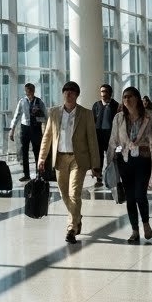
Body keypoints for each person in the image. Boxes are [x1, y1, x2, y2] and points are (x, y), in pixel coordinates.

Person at [39, 81, 101, 244]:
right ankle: (77, 216)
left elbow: (92, 140)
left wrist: (95, 164)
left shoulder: (86, 114)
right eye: (66, 91)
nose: (68, 94)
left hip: (78, 159)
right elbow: (47, 137)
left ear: (77, 95)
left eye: (72, 92)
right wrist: (41, 157)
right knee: (63, 193)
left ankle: (71, 228)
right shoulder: (53, 112)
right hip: (59, 158)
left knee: (74, 193)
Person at [106, 87, 152, 243]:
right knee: (130, 197)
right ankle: (134, 230)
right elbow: (112, 141)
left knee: (140, 195)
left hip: (143, 160)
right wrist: (107, 164)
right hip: (125, 161)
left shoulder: (148, 116)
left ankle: (145, 223)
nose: (127, 100)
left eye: (130, 96)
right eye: (124, 97)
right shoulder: (118, 118)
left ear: (137, 98)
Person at [8, 83, 45, 181]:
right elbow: (16, 116)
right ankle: (26, 174)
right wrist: (12, 130)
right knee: (24, 152)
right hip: (25, 128)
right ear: (25, 91)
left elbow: (45, 117)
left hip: (36, 128)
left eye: (30, 91)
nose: (29, 93)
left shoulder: (39, 102)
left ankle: (39, 174)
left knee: (37, 152)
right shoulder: (22, 101)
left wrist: (38, 115)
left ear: (33, 90)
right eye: (27, 91)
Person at [92, 84, 119, 188]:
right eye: (102, 91)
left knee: (111, 158)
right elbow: (92, 120)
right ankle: (99, 178)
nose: (103, 94)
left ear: (110, 93)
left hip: (110, 136)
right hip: (99, 135)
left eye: (105, 91)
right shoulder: (96, 105)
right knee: (98, 158)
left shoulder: (115, 105)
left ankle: (111, 179)